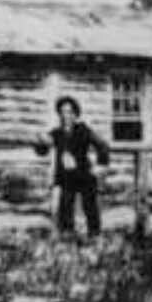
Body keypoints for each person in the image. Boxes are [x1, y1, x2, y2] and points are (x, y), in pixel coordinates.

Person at [33, 96, 112, 239]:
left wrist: (101, 166)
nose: (66, 116)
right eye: (62, 112)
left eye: (69, 112)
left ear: (75, 114)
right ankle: (67, 237)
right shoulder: (57, 133)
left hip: (84, 174)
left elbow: (103, 146)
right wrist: (40, 141)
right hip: (67, 177)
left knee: (90, 206)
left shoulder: (83, 130)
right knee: (66, 207)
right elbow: (42, 150)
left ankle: (94, 236)